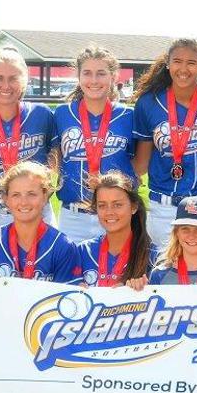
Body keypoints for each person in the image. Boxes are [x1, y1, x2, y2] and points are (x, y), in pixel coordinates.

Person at [131, 38, 197, 246]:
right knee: (162, 266)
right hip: (163, 207)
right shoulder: (148, 102)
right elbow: (141, 162)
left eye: (191, 62)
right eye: (177, 61)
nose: (183, 69)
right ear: (168, 63)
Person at [0, 47, 57, 233]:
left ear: (25, 79)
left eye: (13, 78)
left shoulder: (41, 114)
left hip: (39, 213)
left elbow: (57, 160)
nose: (6, 85)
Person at [54, 45, 137, 244]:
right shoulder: (62, 114)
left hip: (115, 215)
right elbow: (54, 157)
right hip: (73, 216)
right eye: (87, 73)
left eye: (101, 73)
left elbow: (139, 162)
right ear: (78, 77)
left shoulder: (128, 115)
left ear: (113, 77)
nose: (93, 80)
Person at [0, 161, 80, 283]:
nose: (24, 202)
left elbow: (65, 294)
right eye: (16, 195)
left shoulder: (63, 246)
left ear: (45, 197)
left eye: (31, 194)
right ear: (6, 199)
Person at [78, 171, 156, 287]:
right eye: (102, 205)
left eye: (117, 205)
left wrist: (141, 292)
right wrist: (75, 291)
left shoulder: (153, 257)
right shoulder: (83, 251)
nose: (109, 212)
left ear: (134, 207)